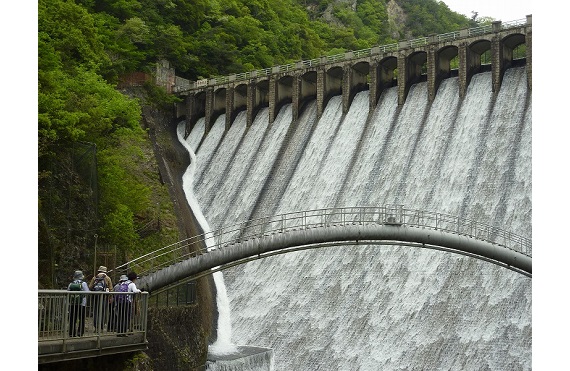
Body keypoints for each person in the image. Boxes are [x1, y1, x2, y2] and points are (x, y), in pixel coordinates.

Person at [88, 266, 113, 332]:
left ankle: (96, 327)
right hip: (104, 297)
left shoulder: (95, 277)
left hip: (96, 297)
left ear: (99, 271)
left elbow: (90, 287)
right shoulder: (107, 278)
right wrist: (110, 297)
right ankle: (101, 328)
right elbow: (111, 289)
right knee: (103, 312)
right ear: (105, 271)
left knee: (96, 311)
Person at [67, 270, 89, 337]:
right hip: (82, 304)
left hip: (72, 303)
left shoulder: (71, 284)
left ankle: (71, 333)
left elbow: (68, 292)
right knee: (81, 318)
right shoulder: (83, 283)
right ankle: (80, 332)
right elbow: (87, 292)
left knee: (72, 318)